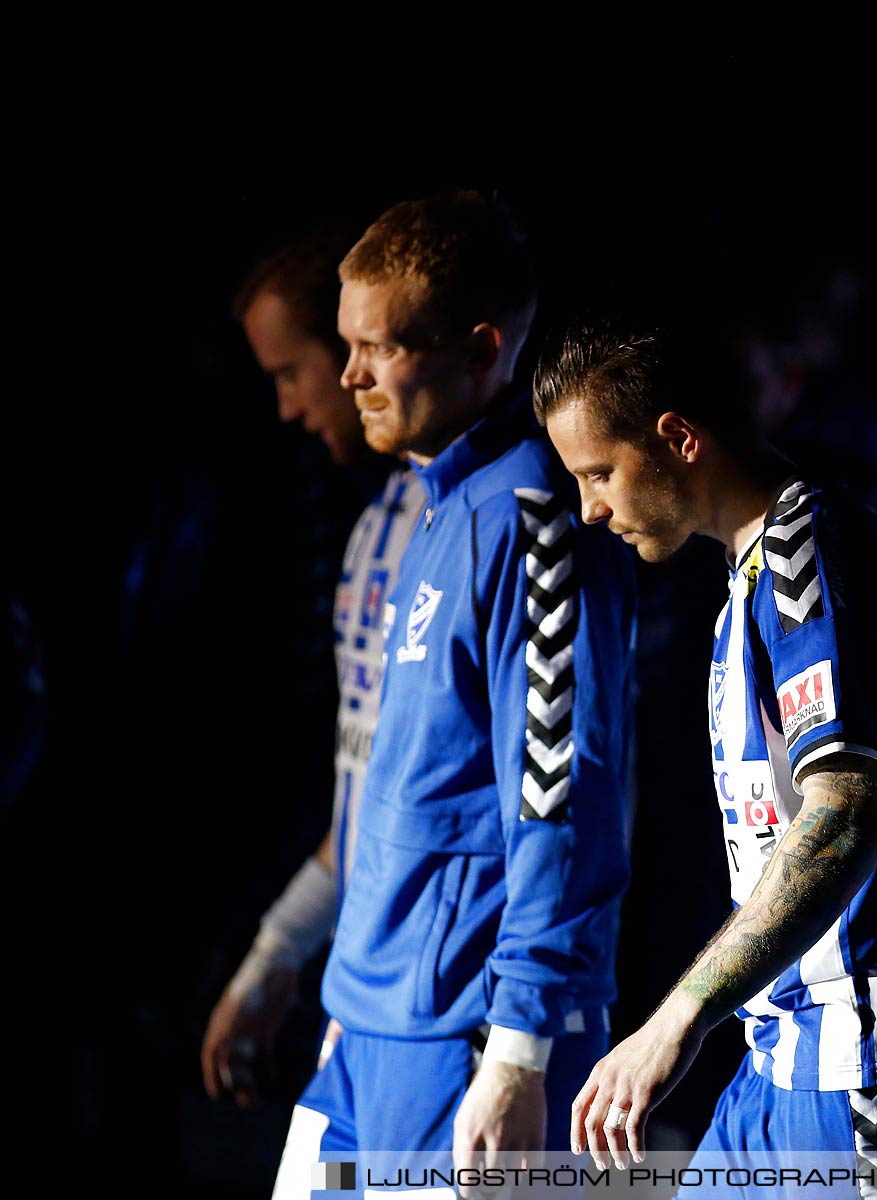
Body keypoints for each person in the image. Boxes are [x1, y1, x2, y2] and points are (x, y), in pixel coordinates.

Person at [534, 322, 877, 1178]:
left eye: (600, 473)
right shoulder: (757, 577)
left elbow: (849, 814)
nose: (591, 508)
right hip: (789, 1051)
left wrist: (678, 1017)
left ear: (678, 436)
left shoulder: (810, 556)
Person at [269, 194, 638, 1197]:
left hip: (466, 1039)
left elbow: (565, 805)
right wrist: (346, 982)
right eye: (343, 345)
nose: (349, 376)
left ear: (480, 349)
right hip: (371, 1023)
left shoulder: (534, 530)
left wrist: (521, 1051)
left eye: (376, 347)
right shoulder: (437, 506)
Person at [201, 234, 425, 1107]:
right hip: (362, 991)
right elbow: (361, 793)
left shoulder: (490, 526)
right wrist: (276, 952)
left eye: (294, 371)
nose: (295, 405)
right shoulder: (375, 525)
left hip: (440, 1008)